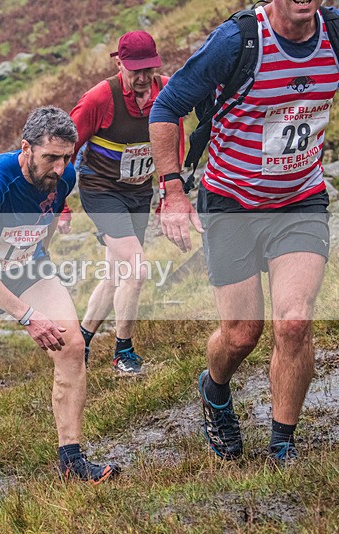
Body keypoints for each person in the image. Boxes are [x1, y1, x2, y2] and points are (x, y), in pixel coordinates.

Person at [149, 0, 339, 465]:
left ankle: (281, 446)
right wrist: (173, 191)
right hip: (231, 201)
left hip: (300, 199)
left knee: (293, 322)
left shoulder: (334, 32)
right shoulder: (237, 40)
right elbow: (166, 105)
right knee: (241, 334)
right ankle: (214, 388)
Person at [0, 106, 118, 489]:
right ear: (26, 148)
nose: (59, 167)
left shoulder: (64, 176)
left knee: (71, 346)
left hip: (26, 267)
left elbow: (48, 224)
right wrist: (27, 315)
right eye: (50, 157)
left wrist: (39, 263)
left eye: (66, 157)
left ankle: (71, 458)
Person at [67, 30, 185, 374]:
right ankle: (123, 352)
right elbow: (65, 149)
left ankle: (81, 342)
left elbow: (172, 137)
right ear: (119, 63)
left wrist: (169, 192)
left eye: (148, 69)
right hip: (101, 190)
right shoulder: (99, 98)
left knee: (116, 274)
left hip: (138, 192)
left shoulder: (167, 89)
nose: (143, 78)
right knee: (136, 269)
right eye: (135, 70)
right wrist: (58, 202)